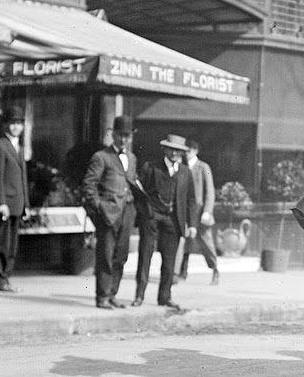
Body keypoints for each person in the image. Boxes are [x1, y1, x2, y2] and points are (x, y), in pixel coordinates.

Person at [132, 134, 197, 311]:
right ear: (165, 149)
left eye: (179, 151)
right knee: (145, 256)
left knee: (169, 261)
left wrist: (192, 224)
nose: (175, 153)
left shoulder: (185, 172)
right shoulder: (150, 167)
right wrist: (145, 213)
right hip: (152, 218)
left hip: (173, 220)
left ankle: (165, 297)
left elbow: (191, 200)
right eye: (172, 149)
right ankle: (139, 295)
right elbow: (138, 192)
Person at [82, 115, 138, 309]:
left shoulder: (131, 158)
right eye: (120, 135)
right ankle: (102, 296)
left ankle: (113, 293)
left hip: (127, 213)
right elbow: (89, 186)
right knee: (105, 255)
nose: (123, 139)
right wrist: (100, 207)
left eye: (127, 136)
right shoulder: (101, 157)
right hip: (108, 214)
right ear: (112, 134)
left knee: (121, 256)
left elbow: (130, 182)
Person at [0, 105, 29, 293]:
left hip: (18, 203)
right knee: (1, 242)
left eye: (19, 123)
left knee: (13, 244)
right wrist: (0, 202)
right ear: (6, 125)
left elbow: (23, 178)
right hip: (5, 203)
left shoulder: (19, 147)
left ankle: (6, 276)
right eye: (12, 123)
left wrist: (26, 204)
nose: (15, 127)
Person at [179, 139, 219, 285]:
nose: (186, 154)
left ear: (195, 151)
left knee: (206, 243)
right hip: (185, 211)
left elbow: (210, 191)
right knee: (184, 241)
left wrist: (207, 211)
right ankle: (182, 271)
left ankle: (215, 269)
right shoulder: (182, 167)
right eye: (184, 151)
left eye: (188, 151)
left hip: (200, 212)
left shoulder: (203, 167)